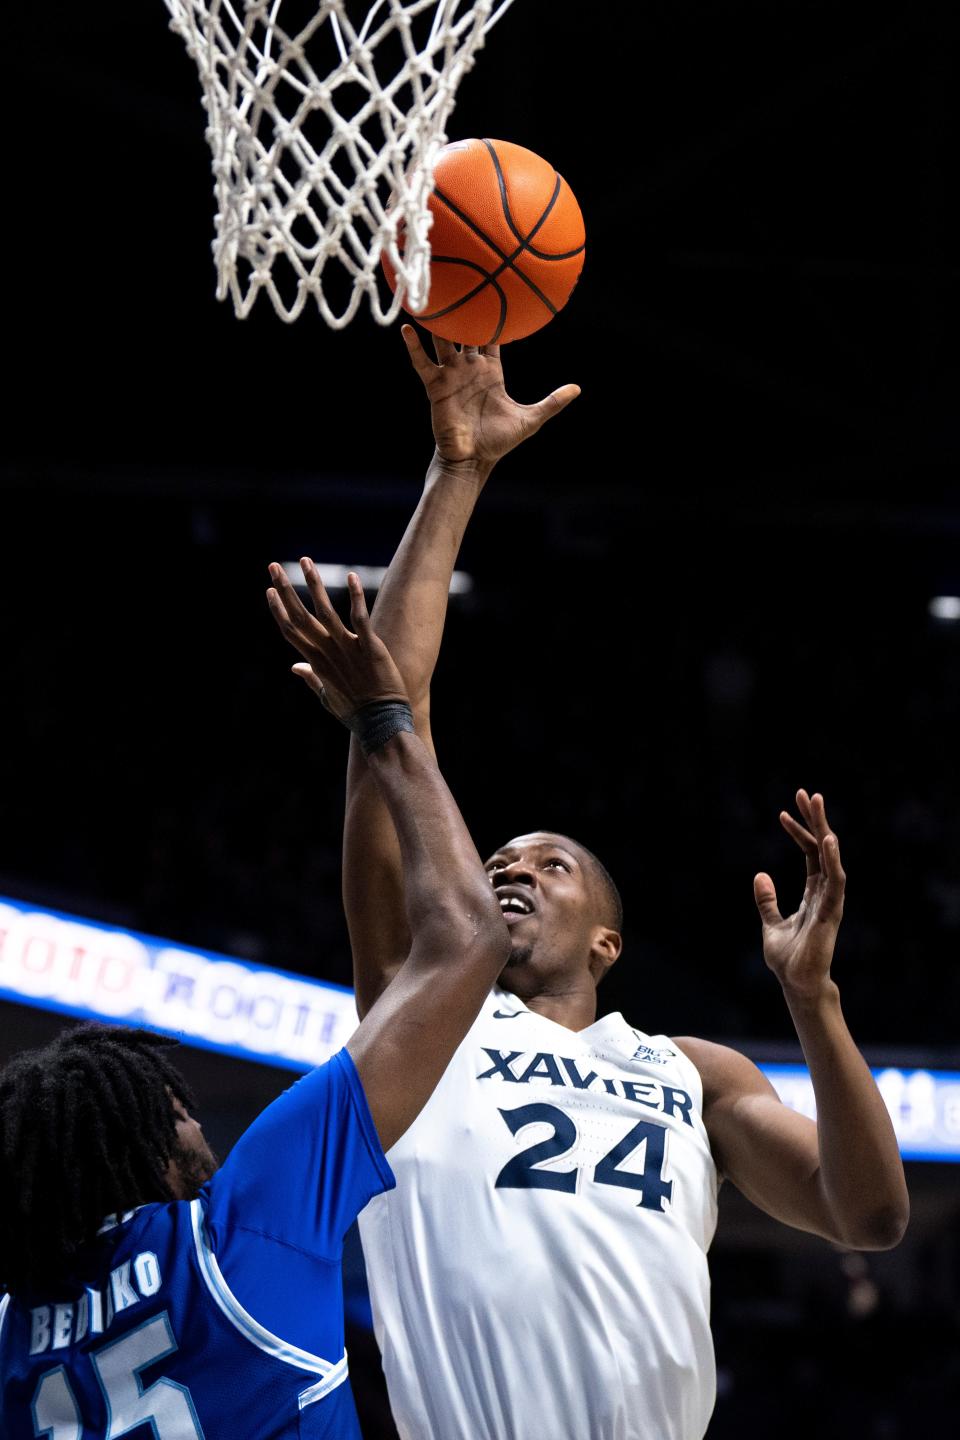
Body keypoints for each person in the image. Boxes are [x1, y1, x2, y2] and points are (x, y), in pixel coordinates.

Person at [304, 331, 910, 1440]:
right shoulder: (417, 1022)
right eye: (499, 863)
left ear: (607, 945)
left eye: (552, 863)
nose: (511, 870)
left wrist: (815, 1005)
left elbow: (867, 1214)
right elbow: (393, 724)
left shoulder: (691, 1071)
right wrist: (459, 472)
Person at [0, 566, 510, 1439]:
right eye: (185, 1114)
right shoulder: (242, 1223)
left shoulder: (13, 1331)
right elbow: (470, 936)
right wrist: (386, 722)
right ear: (157, 1135)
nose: (204, 1132)